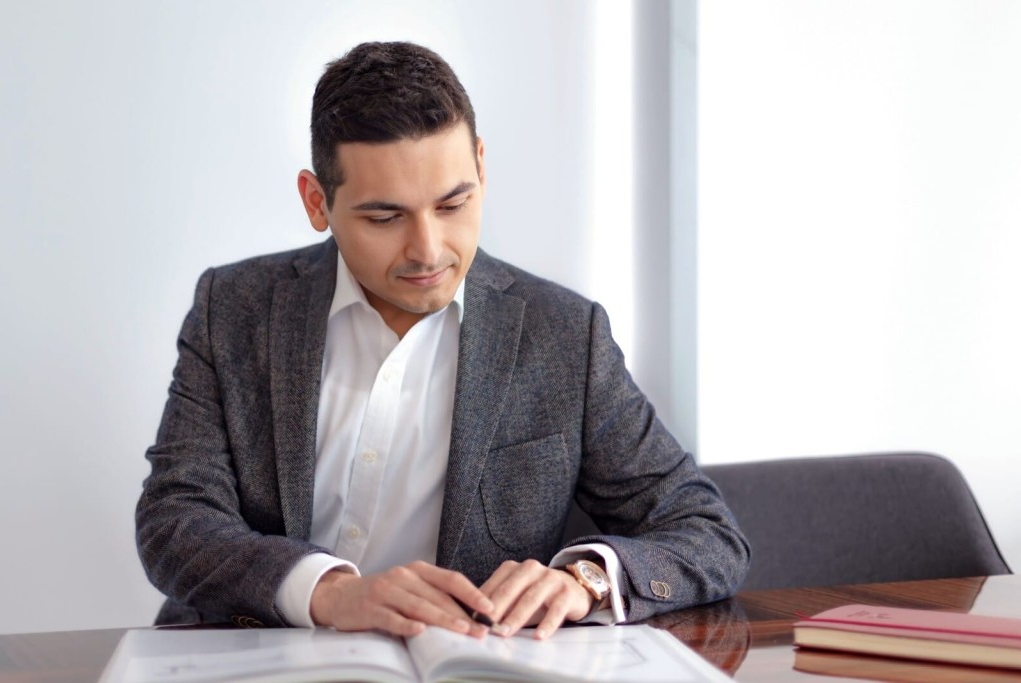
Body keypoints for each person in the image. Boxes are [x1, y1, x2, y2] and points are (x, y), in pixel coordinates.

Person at [136, 41, 749, 640]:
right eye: (385, 217)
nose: (428, 250)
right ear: (316, 201)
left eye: (454, 203)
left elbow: (705, 531)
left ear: (481, 166)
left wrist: (586, 579)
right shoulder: (236, 309)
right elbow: (175, 520)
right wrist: (332, 593)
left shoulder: (564, 335)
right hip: (250, 656)